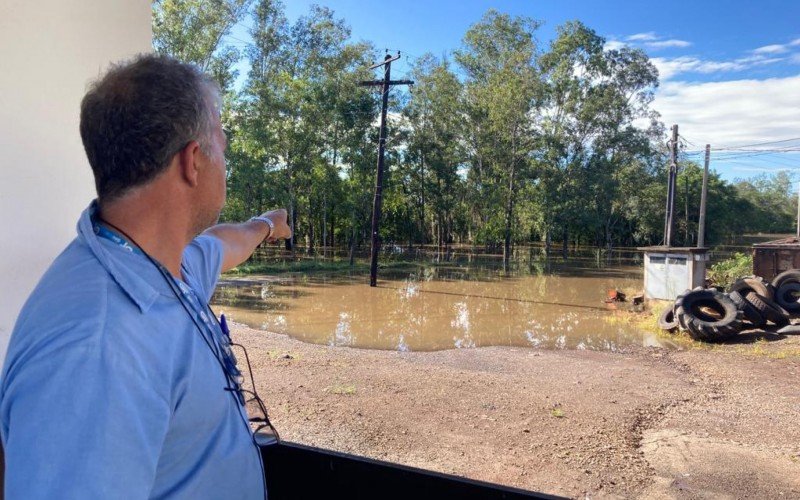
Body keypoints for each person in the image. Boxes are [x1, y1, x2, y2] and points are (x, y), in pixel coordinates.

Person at [0, 54, 290, 499]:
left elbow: (222, 244)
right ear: (193, 161)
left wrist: (266, 225)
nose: (225, 164)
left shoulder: (161, 265)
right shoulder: (96, 349)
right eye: (223, 148)